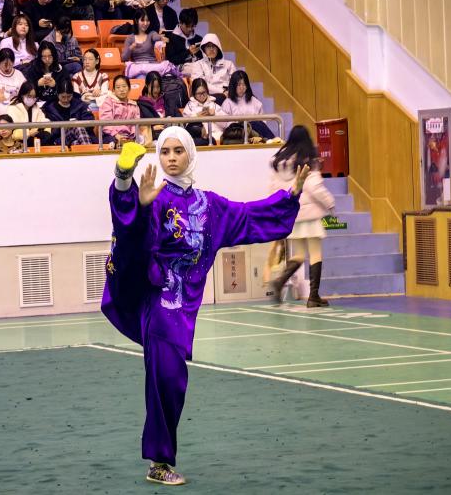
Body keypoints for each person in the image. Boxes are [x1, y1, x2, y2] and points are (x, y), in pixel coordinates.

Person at [101, 127, 308, 485]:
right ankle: (159, 463)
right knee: (166, 379)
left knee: (174, 381)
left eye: (178, 150)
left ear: (191, 154)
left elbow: (248, 216)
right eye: (165, 151)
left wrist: (290, 195)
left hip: (185, 309)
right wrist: (128, 188)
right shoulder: (156, 197)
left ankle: (160, 460)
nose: (171, 158)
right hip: (158, 302)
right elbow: (130, 236)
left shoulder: (209, 206)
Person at [269, 125, 335, 308]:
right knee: (315, 253)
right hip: (310, 215)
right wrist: (330, 203)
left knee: (298, 254)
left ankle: (280, 281)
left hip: (292, 214)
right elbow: (314, 187)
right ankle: (313, 297)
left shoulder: (280, 162)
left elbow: (274, 189)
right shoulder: (308, 159)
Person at [122, 9, 177, 79]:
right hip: (139, 68)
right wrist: (131, 48)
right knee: (142, 78)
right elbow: (124, 58)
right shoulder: (130, 38)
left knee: (167, 75)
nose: (145, 23)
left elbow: (155, 37)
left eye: (147, 20)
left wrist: (160, 37)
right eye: (142, 20)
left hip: (153, 66)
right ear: (136, 21)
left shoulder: (151, 34)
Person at [221, 70, 274, 139]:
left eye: (244, 84)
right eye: (239, 85)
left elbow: (263, 122)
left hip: (254, 133)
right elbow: (224, 125)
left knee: (257, 124)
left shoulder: (255, 101)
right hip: (236, 133)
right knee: (254, 124)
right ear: (233, 86)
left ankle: (272, 140)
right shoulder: (227, 103)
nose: (242, 88)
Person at [44, 77, 96, 145]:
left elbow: (90, 123)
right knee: (76, 125)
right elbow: (50, 131)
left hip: (80, 136)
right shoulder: (50, 109)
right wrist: (64, 127)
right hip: (60, 139)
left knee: (76, 142)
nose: (66, 100)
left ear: (72, 94)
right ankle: (89, 150)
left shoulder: (80, 105)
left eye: (69, 96)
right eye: (63, 97)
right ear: (57, 94)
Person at [190, 33, 236, 104]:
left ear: (218, 48)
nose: (211, 49)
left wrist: (229, 92)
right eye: (208, 46)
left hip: (228, 94)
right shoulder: (198, 65)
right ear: (204, 49)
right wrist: (222, 91)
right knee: (221, 98)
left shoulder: (229, 64)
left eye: (214, 46)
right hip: (207, 97)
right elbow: (200, 85)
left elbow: (236, 82)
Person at [181, 78, 227, 145]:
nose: (202, 96)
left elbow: (225, 123)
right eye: (199, 93)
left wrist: (215, 114)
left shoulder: (214, 104)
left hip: (217, 135)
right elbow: (186, 127)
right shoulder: (189, 106)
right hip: (200, 138)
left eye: (204, 93)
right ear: (194, 93)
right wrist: (196, 117)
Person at [99, 74, 141, 146]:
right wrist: (116, 135)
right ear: (113, 90)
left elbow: (136, 124)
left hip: (128, 136)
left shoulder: (134, 105)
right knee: (111, 141)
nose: (121, 90)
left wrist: (132, 136)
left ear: (129, 88)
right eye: (118, 87)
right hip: (111, 135)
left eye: (124, 86)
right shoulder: (108, 102)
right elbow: (105, 124)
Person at [165, 8, 202, 76]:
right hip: (180, 67)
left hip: (197, 64)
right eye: (187, 26)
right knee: (194, 70)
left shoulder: (198, 38)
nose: (190, 29)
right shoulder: (171, 38)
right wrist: (188, 52)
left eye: (192, 26)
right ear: (180, 23)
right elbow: (172, 60)